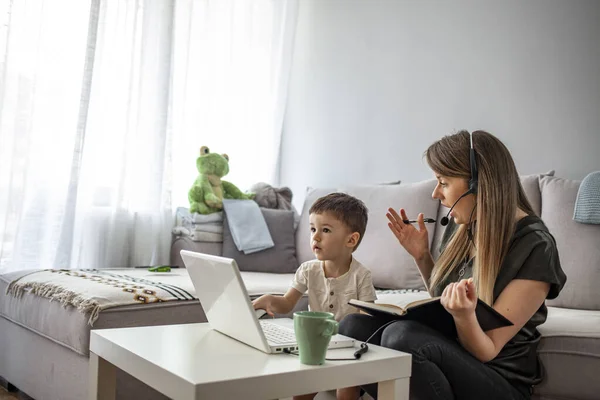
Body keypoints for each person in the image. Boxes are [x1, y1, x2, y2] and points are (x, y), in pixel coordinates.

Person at [339, 130, 567, 400]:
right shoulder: (462, 226)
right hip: (457, 355)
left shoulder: (535, 246)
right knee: (353, 327)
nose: (436, 193)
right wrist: (422, 257)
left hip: (499, 379)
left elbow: (488, 349)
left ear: (478, 183)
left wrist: (464, 316)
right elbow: (442, 304)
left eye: (443, 182)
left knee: (401, 337)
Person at [252, 192, 377, 400]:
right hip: (314, 347)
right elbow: (286, 303)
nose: (315, 237)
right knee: (300, 392)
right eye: (312, 229)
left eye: (325, 230)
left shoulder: (361, 275)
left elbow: (365, 320)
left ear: (351, 239)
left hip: (347, 350)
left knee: (346, 391)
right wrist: (270, 300)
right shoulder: (308, 270)